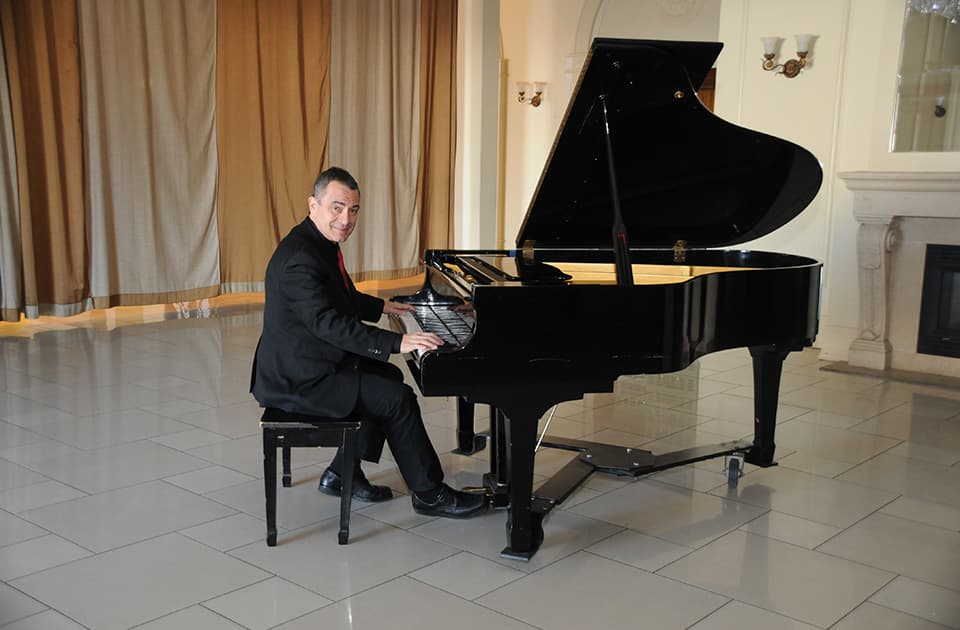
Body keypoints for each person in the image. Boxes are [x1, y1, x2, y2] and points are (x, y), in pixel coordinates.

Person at [251, 166, 486, 519]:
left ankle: (341, 473)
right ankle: (429, 494)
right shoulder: (300, 258)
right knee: (396, 399)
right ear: (313, 204)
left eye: (353, 209)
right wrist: (399, 341)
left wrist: (383, 306)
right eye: (337, 207)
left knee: (387, 378)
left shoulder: (315, 242)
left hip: (308, 361)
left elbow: (339, 295)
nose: (346, 219)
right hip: (299, 377)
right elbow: (328, 324)